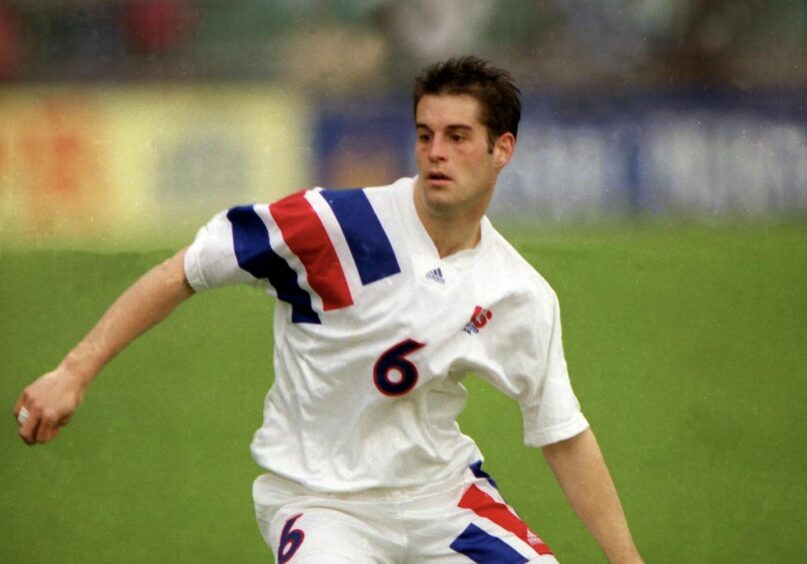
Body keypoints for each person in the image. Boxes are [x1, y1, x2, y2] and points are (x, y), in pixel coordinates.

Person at [15, 56, 643, 563]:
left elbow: (562, 434)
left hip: (441, 500)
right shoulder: (336, 223)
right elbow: (185, 269)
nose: (435, 153)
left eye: (458, 137)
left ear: (502, 149)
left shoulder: (518, 292)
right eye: (425, 135)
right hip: (318, 503)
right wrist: (74, 371)